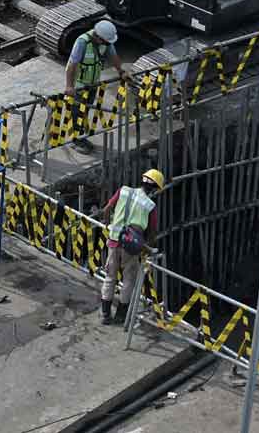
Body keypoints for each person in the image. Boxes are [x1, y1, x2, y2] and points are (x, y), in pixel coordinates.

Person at [97, 168, 164, 325]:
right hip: (131, 246)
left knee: (110, 277)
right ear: (154, 188)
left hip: (114, 240)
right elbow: (152, 232)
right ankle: (121, 316)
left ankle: (105, 315)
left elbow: (106, 209)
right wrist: (147, 248)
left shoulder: (123, 190)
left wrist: (108, 224)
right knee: (128, 280)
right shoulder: (150, 205)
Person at [63, 20, 127, 153]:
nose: (107, 44)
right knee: (77, 112)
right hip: (79, 86)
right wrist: (69, 86)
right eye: (105, 42)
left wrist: (121, 71)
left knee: (85, 111)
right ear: (97, 37)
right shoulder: (82, 42)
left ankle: (81, 136)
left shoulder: (105, 42)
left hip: (93, 84)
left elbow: (113, 56)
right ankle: (75, 140)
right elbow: (72, 65)